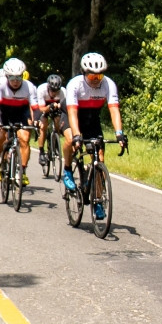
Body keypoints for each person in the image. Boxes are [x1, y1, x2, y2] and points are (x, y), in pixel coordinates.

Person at [63, 52, 127, 220]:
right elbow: (72, 112)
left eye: (99, 74)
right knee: (70, 140)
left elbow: (114, 109)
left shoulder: (108, 84)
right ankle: (68, 170)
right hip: (73, 116)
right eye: (92, 75)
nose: (96, 78)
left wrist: (119, 133)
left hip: (92, 120)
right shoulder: (75, 85)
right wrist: (77, 135)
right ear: (84, 73)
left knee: (99, 159)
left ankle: (97, 201)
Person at [0, 58, 36, 186]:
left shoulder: (29, 87)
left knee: (24, 139)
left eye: (18, 78)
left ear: (22, 76)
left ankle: (23, 172)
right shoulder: (0, 85)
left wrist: (36, 121)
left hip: (21, 112)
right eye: (12, 78)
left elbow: (35, 108)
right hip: (4, 113)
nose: (15, 82)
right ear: (7, 76)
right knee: (1, 137)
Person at [35, 74, 67, 168]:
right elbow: (41, 109)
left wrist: (59, 106)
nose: (54, 93)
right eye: (52, 90)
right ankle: (41, 151)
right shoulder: (41, 90)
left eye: (56, 91)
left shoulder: (63, 92)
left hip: (56, 107)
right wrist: (50, 107)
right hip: (44, 107)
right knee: (43, 125)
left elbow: (65, 108)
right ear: (48, 87)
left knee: (58, 120)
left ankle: (55, 141)